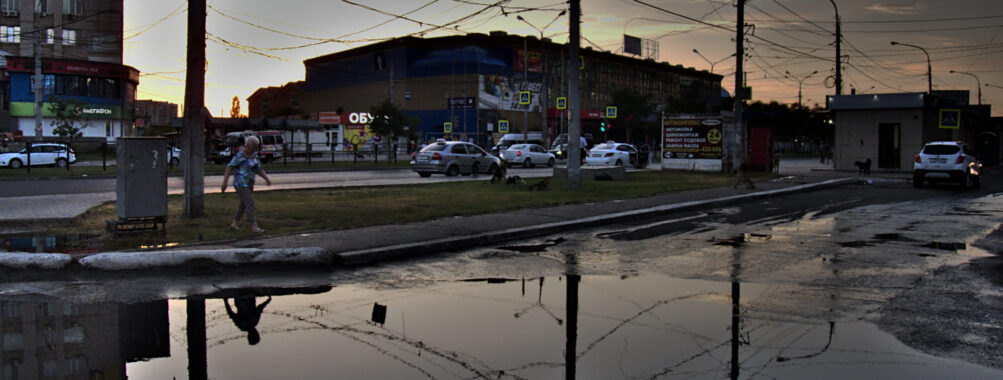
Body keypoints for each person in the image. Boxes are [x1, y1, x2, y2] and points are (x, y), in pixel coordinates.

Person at [221, 136, 272, 233]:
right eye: (253, 147)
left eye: (256, 147)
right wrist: (224, 183)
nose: (255, 149)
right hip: (240, 183)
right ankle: (254, 226)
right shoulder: (240, 156)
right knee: (250, 203)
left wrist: (266, 178)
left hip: (249, 183)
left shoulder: (255, 156)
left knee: (243, 204)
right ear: (247, 146)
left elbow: (258, 169)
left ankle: (234, 224)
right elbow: (229, 167)